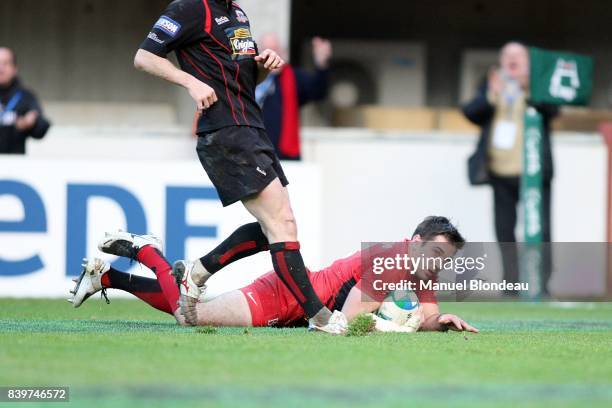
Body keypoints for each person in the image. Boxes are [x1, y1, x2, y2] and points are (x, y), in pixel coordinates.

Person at [133, 0, 343, 333]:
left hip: (252, 129)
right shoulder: (190, 8)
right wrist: (191, 82)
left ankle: (197, 271)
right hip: (225, 130)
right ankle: (319, 316)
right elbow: (143, 57)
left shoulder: (238, 13)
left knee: (271, 229)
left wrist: (263, 67)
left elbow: (245, 82)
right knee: (282, 222)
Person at [69, 216, 478, 334]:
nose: (439, 261)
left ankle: (108, 278)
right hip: (281, 300)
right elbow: (349, 324)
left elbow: (426, 314)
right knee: (187, 316)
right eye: (437, 251)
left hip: (298, 306)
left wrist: (440, 321)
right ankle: (145, 250)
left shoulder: (422, 268)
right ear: (414, 240)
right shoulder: (391, 260)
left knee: (197, 307)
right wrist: (393, 325)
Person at [463, 42, 558, 295]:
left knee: (541, 230)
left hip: (534, 173)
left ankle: (541, 285)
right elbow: (470, 112)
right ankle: (512, 285)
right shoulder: (493, 82)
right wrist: (491, 95)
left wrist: (530, 88)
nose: (511, 60)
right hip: (500, 173)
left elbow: (554, 110)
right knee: (504, 231)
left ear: (527, 62)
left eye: (517, 56)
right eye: (507, 56)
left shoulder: (539, 84)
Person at [255, 34, 332, 160]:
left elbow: (319, 92)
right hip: (254, 153)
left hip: (285, 157)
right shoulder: (249, 78)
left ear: (283, 53)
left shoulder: (293, 77)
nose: (272, 56)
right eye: (267, 51)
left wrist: (321, 64)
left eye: (276, 51)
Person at [0, 47, 51, 154]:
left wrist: (30, 123)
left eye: (5, 63)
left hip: (14, 164)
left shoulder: (24, 97)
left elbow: (41, 128)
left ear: (14, 69)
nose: (1, 68)